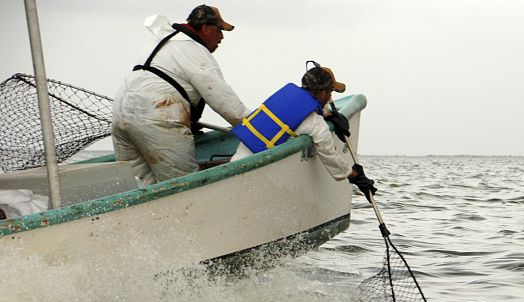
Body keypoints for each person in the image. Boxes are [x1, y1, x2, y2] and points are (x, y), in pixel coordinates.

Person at [111, 5, 249, 185]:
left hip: (120, 116)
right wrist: (257, 127)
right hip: (158, 117)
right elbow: (223, 100)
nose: (222, 38)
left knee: (137, 186)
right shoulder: (194, 50)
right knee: (184, 186)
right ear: (205, 29)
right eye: (219, 31)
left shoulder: (162, 41)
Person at [230, 63, 376, 200]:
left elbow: (299, 117)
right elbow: (329, 154)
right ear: (322, 92)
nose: (331, 97)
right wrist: (353, 175)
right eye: (330, 92)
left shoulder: (285, 100)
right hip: (252, 172)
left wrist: (329, 115)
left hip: (236, 161)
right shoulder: (316, 124)